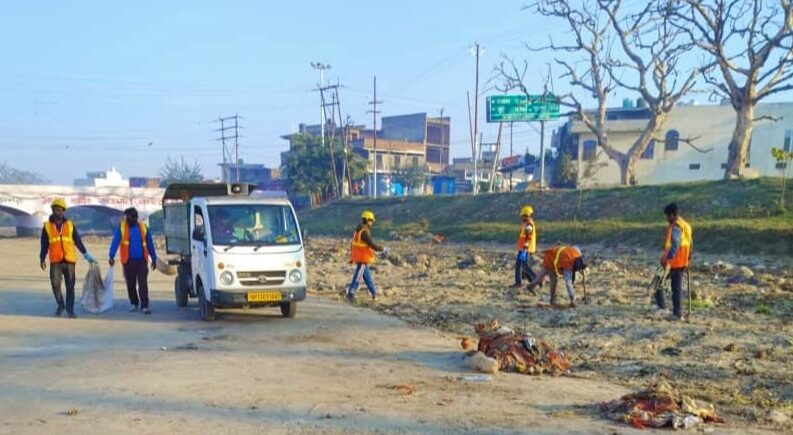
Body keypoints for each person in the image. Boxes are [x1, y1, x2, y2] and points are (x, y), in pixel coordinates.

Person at [39, 197, 96, 318]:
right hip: (55, 260)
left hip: (69, 260)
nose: (58, 212)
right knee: (55, 284)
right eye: (56, 210)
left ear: (63, 211)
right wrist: (42, 258)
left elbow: (78, 241)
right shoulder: (47, 226)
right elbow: (44, 244)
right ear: (53, 210)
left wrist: (86, 254)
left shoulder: (70, 225)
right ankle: (60, 305)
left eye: (60, 210)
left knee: (70, 286)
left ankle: (70, 309)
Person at [109, 207, 157, 314]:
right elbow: (115, 241)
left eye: (129, 217)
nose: (127, 219)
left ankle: (145, 305)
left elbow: (150, 244)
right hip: (128, 261)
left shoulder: (143, 228)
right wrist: (111, 255)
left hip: (142, 261)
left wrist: (154, 259)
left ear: (135, 218)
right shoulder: (121, 227)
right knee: (130, 284)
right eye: (126, 217)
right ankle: (134, 303)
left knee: (143, 283)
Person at [656, 203, 693, 321]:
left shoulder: (676, 227)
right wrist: (689, 259)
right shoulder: (686, 225)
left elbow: (675, 244)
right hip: (682, 262)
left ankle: (663, 308)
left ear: (672, 215)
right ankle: (677, 312)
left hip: (674, 262)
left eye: (667, 216)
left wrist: (667, 259)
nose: (666, 219)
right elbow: (690, 244)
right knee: (676, 288)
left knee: (657, 283)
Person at [346, 210, 386, 302]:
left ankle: (374, 293)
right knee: (358, 276)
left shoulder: (358, 230)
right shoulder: (364, 232)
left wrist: (352, 257)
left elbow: (353, 244)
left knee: (367, 277)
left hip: (359, 258)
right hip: (363, 258)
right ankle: (351, 293)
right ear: (367, 220)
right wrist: (382, 249)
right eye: (371, 221)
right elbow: (371, 244)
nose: (372, 223)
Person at [509, 205, 537, 289]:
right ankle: (534, 279)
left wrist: (524, 250)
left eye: (523, 216)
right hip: (523, 249)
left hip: (525, 249)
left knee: (521, 266)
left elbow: (528, 238)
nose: (522, 217)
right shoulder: (526, 224)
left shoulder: (529, 225)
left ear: (527, 215)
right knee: (523, 266)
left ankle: (535, 279)